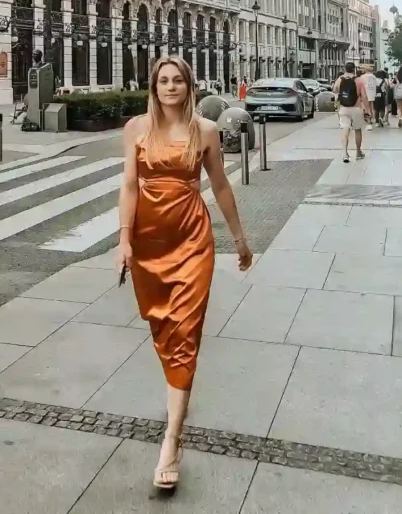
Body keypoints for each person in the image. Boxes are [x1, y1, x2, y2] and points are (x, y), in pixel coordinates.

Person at [117, 56, 252, 491]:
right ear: (153, 87)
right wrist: (123, 239)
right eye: (163, 81)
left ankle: (171, 440)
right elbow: (127, 184)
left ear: (188, 86)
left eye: (177, 80)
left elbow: (221, 186)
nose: (170, 87)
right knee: (162, 326)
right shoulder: (137, 129)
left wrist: (240, 239)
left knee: (186, 333)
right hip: (148, 241)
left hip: (193, 241)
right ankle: (178, 402)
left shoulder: (205, 131)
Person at [334, 61, 366, 163]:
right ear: (354, 69)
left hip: (344, 108)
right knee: (357, 130)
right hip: (356, 108)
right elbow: (364, 96)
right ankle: (358, 152)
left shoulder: (340, 79)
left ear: (345, 69)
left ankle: (345, 154)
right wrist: (367, 109)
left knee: (345, 130)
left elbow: (335, 91)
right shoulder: (359, 80)